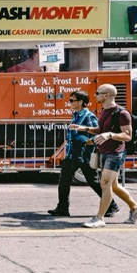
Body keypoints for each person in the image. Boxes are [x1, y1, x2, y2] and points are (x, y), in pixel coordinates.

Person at [80, 84, 137, 228]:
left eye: (97, 93)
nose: (95, 95)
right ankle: (135, 207)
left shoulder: (122, 113)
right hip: (104, 151)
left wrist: (110, 135)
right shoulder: (104, 111)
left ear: (107, 95)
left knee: (105, 183)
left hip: (115, 153)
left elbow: (127, 135)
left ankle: (99, 218)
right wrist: (85, 129)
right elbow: (101, 130)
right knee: (113, 186)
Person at [50, 90, 116, 218]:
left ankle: (111, 205)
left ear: (80, 102)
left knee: (93, 181)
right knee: (64, 180)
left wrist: (85, 142)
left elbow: (97, 134)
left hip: (84, 155)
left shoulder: (88, 116)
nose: (69, 103)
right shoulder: (75, 114)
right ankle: (62, 207)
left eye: (72, 100)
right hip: (72, 154)